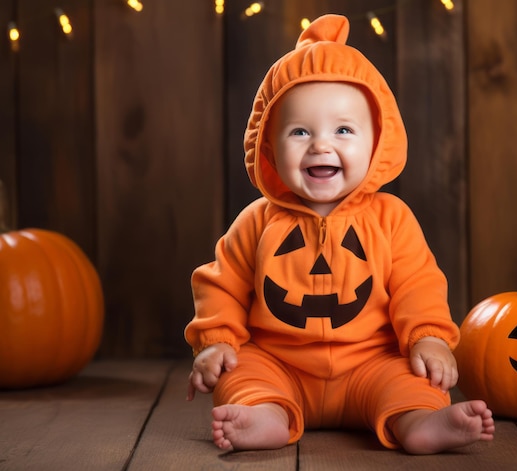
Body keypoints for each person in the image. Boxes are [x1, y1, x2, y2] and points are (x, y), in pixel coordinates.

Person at [185, 14, 494, 455]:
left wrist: (428, 337)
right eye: (299, 132)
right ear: (269, 145)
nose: (320, 146)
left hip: (370, 363)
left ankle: (418, 422)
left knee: (410, 378)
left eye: (344, 130)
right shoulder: (257, 221)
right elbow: (221, 284)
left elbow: (418, 283)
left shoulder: (392, 218)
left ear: (377, 143)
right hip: (280, 363)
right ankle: (265, 416)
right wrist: (215, 343)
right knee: (242, 372)